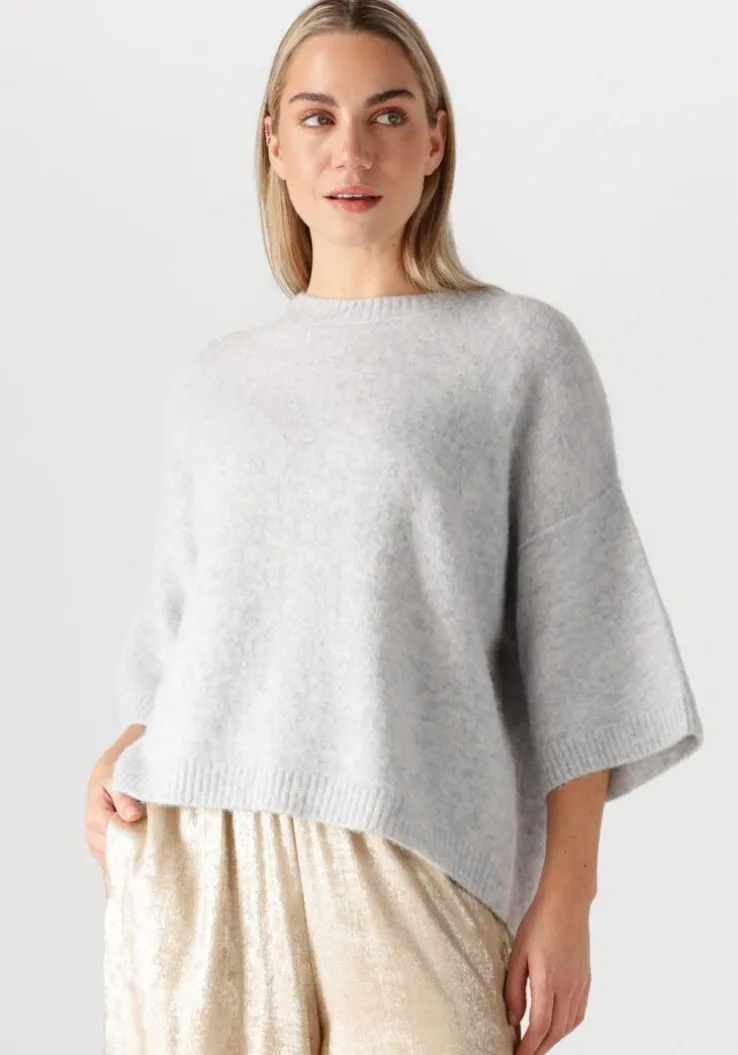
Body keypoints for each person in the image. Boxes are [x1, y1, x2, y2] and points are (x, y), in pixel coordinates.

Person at [85, 2, 705, 1053]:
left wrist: (569, 899)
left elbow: (587, 649)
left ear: (435, 139)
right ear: (274, 143)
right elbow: (179, 637)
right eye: (317, 118)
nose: (352, 151)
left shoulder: (520, 353)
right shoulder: (214, 384)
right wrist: (122, 755)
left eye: (386, 115)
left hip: (410, 852)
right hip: (194, 856)